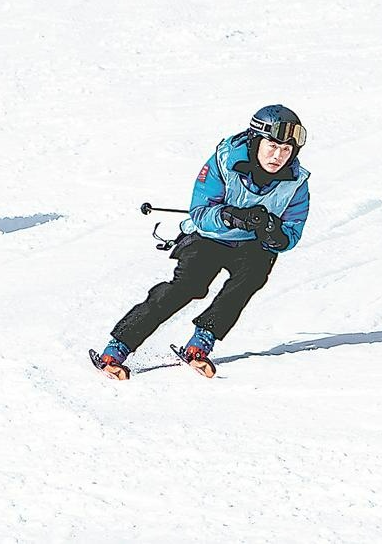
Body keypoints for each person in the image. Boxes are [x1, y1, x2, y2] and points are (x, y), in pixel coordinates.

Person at [92, 104, 311, 380]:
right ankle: (118, 347)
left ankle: (202, 341)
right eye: (272, 146)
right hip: (208, 236)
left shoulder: (296, 182)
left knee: (251, 277)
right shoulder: (224, 159)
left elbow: (291, 233)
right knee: (187, 287)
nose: (278, 155)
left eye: (286, 149)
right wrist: (231, 216)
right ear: (256, 140)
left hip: (251, 245)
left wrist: (272, 231)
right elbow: (199, 212)